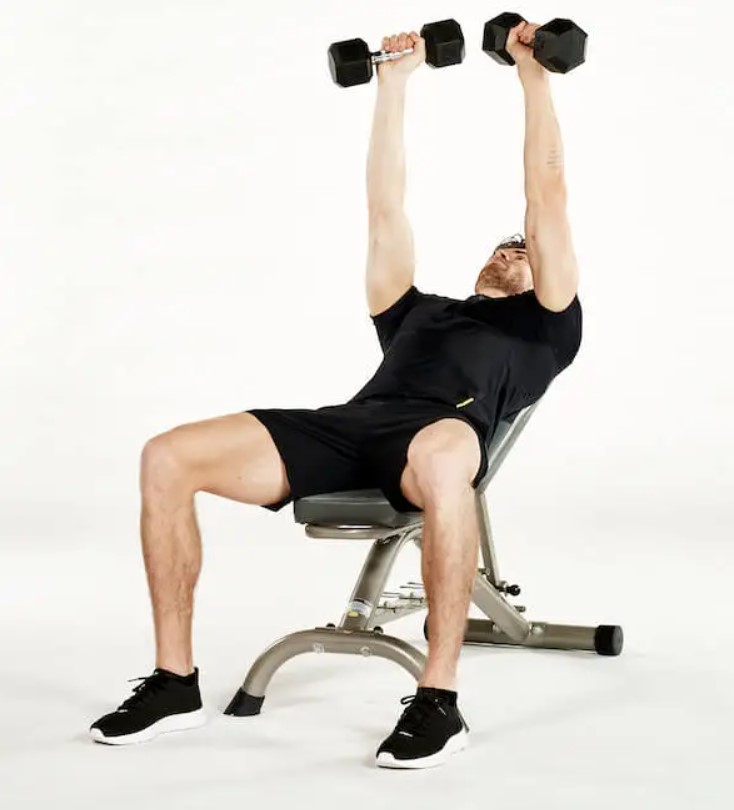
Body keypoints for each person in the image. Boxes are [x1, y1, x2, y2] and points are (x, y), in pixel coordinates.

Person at [89, 21, 582, 769]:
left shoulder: (546, 325)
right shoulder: (413, 310)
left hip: (436, 439)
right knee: (166, 455)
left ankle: (437, 698)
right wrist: (393, 84)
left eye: (525, 251)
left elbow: (545, 193)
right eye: (503, 247)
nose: (514, 252)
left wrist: (531, 76)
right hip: (350, 428)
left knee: (452, 451)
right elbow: (385, 209)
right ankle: (173, 681)